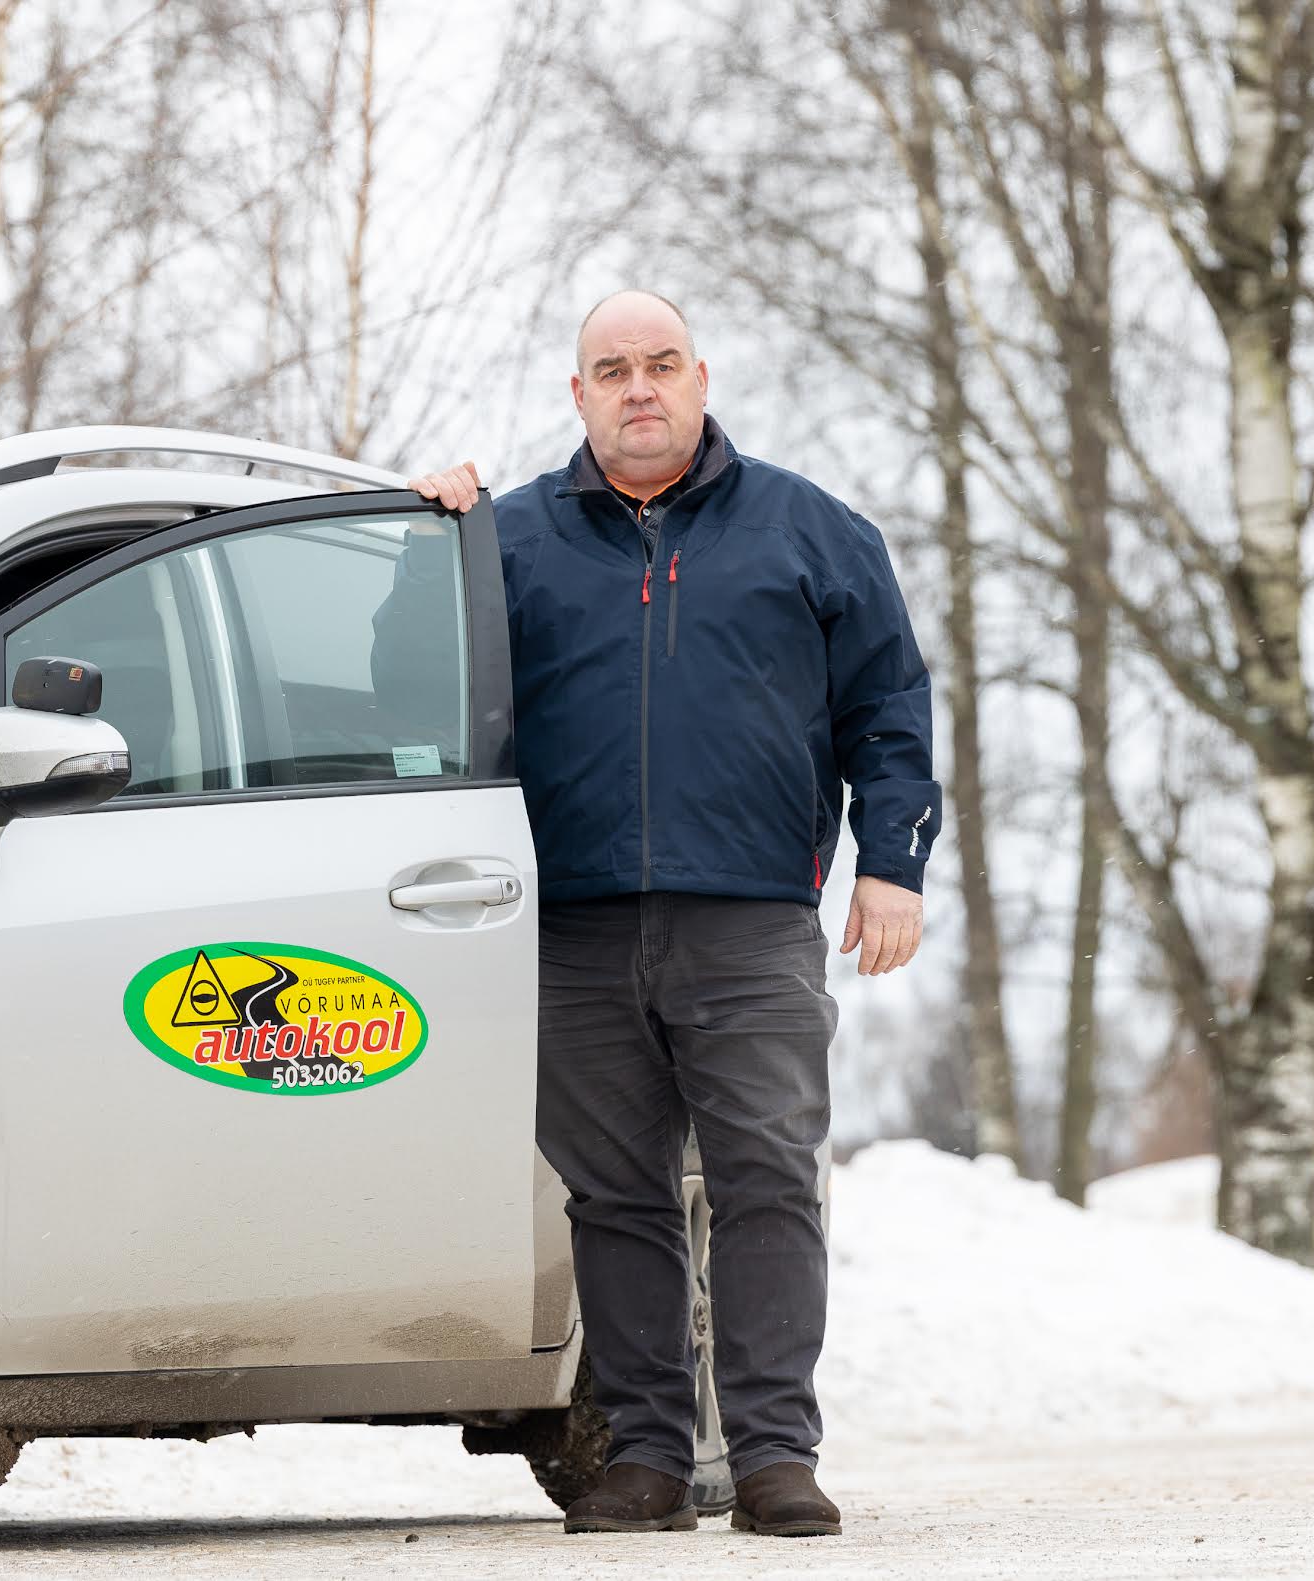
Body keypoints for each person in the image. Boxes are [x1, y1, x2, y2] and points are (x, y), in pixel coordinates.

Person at [401, 289, 940, 1539]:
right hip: (573, 924)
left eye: (658, 365)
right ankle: (644, 1454)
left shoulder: (815, 532)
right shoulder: (510, 539)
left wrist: (892, 863)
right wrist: (426, 543)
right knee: (617, 1195)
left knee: (767, 1179)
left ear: (701, 376)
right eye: (610, 370)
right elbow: (406, 685)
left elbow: (888, 710)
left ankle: (771, 1457)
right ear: (576, 394)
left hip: (750, 920)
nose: (637, 388)